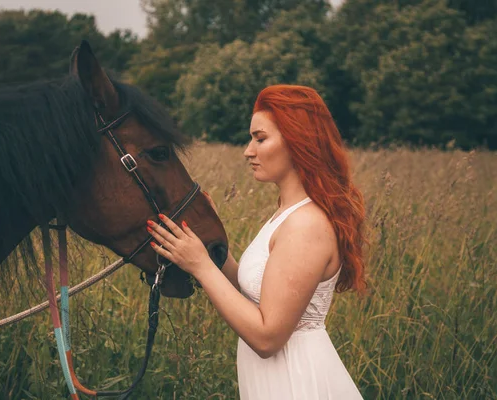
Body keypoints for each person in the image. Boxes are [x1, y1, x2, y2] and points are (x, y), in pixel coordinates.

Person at [147, 85, 366, 399]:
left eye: (260, 138)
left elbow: (267, 338)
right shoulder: (287, 213)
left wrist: (200, 266)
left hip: (297, 382)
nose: (248, 151)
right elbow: (258, 289)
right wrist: (208, 243)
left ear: (297, 141)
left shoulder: (306, 225)